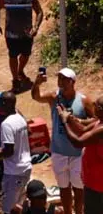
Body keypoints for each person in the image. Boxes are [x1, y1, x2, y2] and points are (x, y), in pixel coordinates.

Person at [32, 67, 88, 214]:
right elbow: (36, 97)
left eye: (64, 79)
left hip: (77, 153)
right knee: (64, 188)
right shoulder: (54, 97)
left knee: (79, 188)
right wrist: (36, 83)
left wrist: (78, 123)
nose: (60, 81)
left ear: (72, 82)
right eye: (59, 78)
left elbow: (96, 119)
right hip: (58, 152)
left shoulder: (83, 101)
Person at [0, 0, 43, 91]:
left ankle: (20, 71)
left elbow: (39, 12)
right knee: (13, 55)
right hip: (11, 34)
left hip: (27, 33)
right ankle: (15, 79)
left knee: (26, 54)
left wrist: (35, 27)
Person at [60, 96, 103, 213]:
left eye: (96, 105)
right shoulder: (98, 122)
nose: (93, 106)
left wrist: (64, 122)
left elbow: (78, 142)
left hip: (98, 187)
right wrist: (69, 119)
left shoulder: (101, 130)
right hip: (93, 183)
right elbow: (82, 130)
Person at [0, 91, 32, 213]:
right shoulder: (20, 118)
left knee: (8, 209)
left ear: (6, 103)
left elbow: (9, 151)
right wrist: (1, 150)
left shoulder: (6, 124)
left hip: (14, 171)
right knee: (18, 207)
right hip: (25, 168)